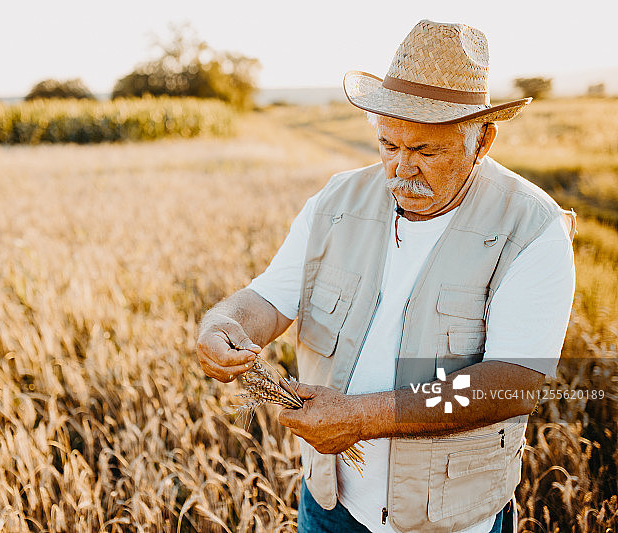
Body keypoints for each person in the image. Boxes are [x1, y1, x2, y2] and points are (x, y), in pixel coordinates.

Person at [196, 19, 576, 533]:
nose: (400, 169)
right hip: (330, 505)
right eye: (388, 146)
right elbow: (270, 296)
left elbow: (514, 383)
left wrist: (363, 418)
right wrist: (223, 322)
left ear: (482, 140)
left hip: (450, 520)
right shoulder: (336, 202)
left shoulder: (531, 229)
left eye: (425, 151)